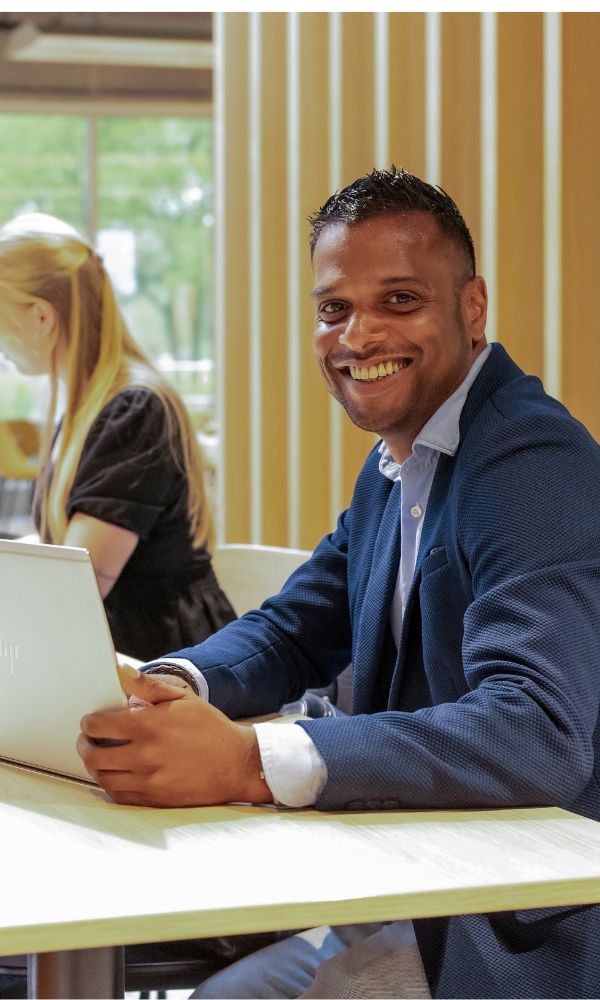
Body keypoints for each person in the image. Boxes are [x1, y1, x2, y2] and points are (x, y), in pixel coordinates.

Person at [77, 168, 600, 999]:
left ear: (473, 308)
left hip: (514, 926)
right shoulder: (398, 465)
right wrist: (163, 685)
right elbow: (294, 630)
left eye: (400, 300)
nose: (357, 334)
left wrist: (249, 762)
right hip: (409, 878)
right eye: (334, 308)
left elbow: (536, 728)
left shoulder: (530, 462)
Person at [0, 213, 235, 661]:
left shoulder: (134, 410)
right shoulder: (86, 406)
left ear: (42, 317)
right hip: (115, 650)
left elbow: (75, 591)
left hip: (161, 664)